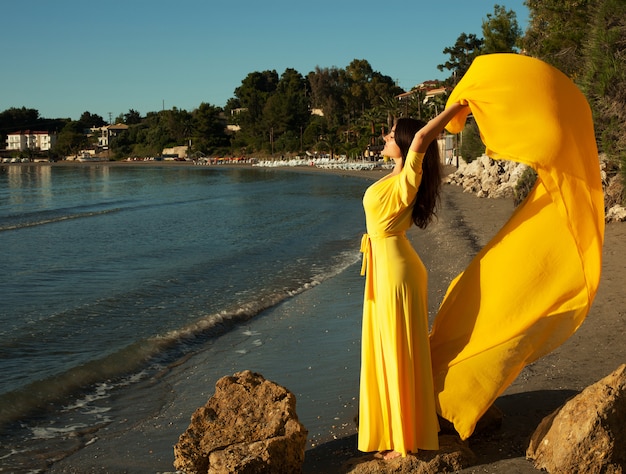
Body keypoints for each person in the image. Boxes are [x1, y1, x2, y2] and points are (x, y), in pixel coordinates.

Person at [358, 103, 466, 459]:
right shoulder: (393, 176)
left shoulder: (408, 176)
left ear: (404, 142)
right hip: (385, 269)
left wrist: (456, 108)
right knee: (390, 349)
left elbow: (422, 136)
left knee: (399, 351)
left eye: (391, 133)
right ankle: (396, 431)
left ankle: (404, 443)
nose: (386, 136)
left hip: (396, 271)